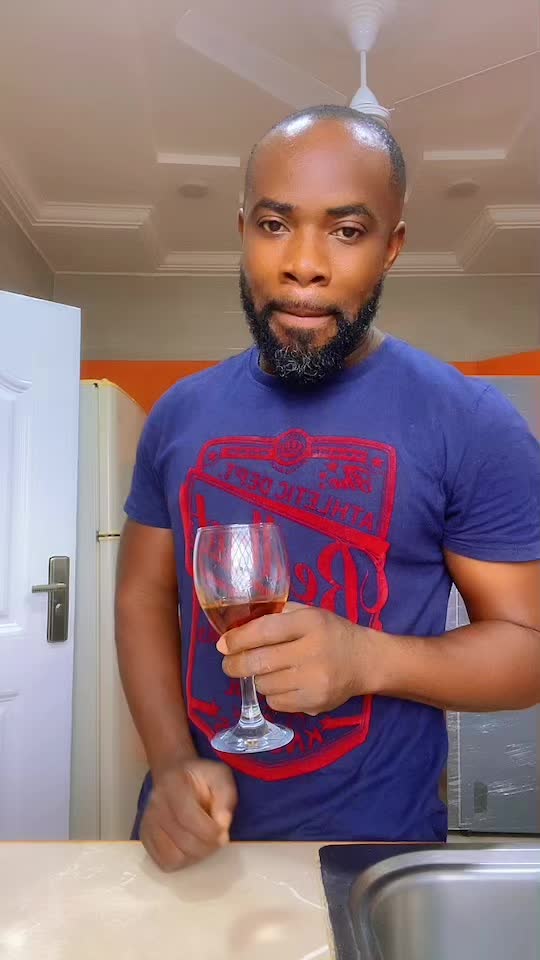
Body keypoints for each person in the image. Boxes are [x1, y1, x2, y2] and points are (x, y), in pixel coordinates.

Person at [116, 105, 540, 871]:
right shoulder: (178, 414)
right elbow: (143, 597)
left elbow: (526, 650)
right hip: (194, 837)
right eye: (275, 225)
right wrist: (172, 761)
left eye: (346, 231)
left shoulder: (472, 422)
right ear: (243, 230)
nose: (304, 263)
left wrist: (367, 659)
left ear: (391, 247)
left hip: (377, 850)